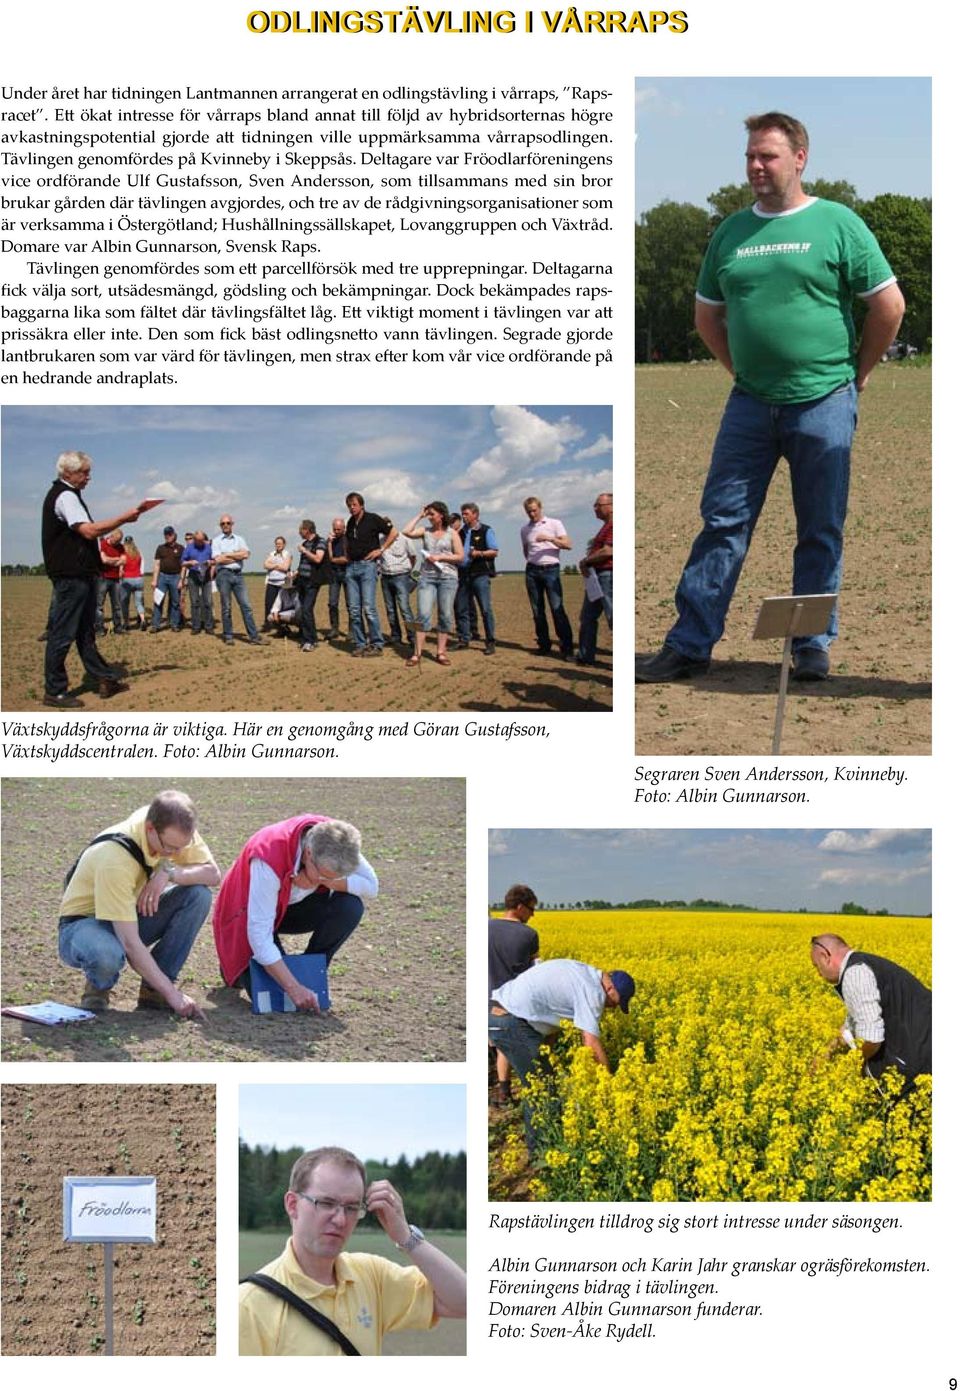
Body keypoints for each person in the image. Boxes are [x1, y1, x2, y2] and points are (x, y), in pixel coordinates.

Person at [637, 112, 905, 686]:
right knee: (722, 521)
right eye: (750, 157)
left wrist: (857, 376)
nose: (756, 167)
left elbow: (889, 306)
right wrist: (742, 370)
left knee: (820, 526)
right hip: (750, 404)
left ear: (800, 157)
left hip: (824, 400)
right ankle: (689, 644)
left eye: (769, 156)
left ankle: (810, 644)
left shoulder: (839, 223)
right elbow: (707, 314)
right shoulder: (731, 232)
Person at [239, 1146, 467, 1356]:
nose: (340, 1219)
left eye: (351, 1207)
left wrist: (405, 1236)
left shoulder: (371, 1276)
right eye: (326, 1203)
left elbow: (464, 1302)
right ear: (292, 1204)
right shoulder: (248, 1306)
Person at [57, 789, 220, 1017]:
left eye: (183, 847)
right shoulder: (115, 859)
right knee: (107, 954)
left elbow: (212, 874)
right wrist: (175, 995)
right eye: (171, 848)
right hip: (84, 925)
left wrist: (168, 871)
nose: (177, 853)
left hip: (127, 913)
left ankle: (154, 992)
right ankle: (99, 985)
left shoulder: (172, 825)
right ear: (150, 828)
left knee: (197, 896)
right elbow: (130, 943)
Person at [213, 816, 378, 1011]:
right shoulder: (268, 856)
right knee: (274, 997)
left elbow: (371, 886)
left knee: (350, 906)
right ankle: (236, 970)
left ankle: (311, 968)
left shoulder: (340, 842)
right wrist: (293, 987)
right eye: (322, 874)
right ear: (308, 854)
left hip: (293, 908)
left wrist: (325, 881)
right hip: (247, 912)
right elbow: (259, 935)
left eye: (331, 877)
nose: (323, 880)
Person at [41, 450, 161, 708]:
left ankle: (105, 678)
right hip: (71, 577)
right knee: (62, 634)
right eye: (84, 472)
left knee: (85, 633)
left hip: (80, 576)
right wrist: (124, 519)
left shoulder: (68, 495)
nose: (88, 478)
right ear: (67, 473)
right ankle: (54, 690)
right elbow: (89, 531)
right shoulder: (65, 496)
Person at [489, 958, 635, 1151]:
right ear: (610, 989)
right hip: (510, 1020)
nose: (612, 1008)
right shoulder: (593, 992)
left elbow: (552, 1017)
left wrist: (549, 1058)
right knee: (543, 1089)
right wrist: (607, 1086)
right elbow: (591, 1042)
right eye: (615, 1003)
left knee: (544, 1083)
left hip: (500, 1011)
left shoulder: (585, 973)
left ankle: (548, 1147)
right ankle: (542, 1155)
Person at [809, 934, 931, 1086]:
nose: (817, 973)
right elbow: (854, 1023)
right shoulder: (863, 965)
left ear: (825, 956)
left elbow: (872, 1038)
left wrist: (848, 1067)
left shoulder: (855, 974)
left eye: (816, 966)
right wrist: (827, 1052)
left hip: (921, 1064)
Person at [488, 885, 540, 1107]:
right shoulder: (528, 935)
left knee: (497, 1044)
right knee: (511, 1045)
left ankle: (502, 1092)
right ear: (519, 907)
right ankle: (530, 1090)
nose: (532, 914)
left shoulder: (485, 928)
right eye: (530, 909)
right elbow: (535, 970)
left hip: (486, 997)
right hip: (512, 1001)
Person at [403, 503, 463, 668]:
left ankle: (441, 652)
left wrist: (440, 558)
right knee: (423, 614)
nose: (429, 517)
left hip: (447, 578)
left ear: (441, 515)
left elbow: (460, 556)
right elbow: (406, 531)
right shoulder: (425, 531)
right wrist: (419, 515)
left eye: (432, 514)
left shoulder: (452, 534)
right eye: (428, 514)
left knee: (445, 614)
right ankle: (417, 653)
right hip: (427, 578)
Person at [520, 496, 574, 660]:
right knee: (537, 611)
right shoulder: (524, 530)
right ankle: (544, 644)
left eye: (534, 510)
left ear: (540, 508)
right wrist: (532, 561)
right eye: (529, 511)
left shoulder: (554, 523)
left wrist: (549, 538)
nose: (532, 514)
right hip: (532, 571)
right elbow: (526, 549)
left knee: (557, 608)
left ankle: (566, 647)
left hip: (551, 569)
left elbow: (568, 545)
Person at [344, 493, 397, 656]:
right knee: (354, 610)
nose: (351, 508)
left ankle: (376, 644)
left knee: (368, 608)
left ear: (361, 505)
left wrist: (380, 550)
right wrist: (347, 557)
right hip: (351, 568)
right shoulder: (350, 522)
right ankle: (360, 643)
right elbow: (347, 541)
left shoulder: (373, 518)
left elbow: (393, 532)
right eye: (349, 505)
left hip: (367, 567)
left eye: (354, 504)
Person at [211, 513, 264, 647]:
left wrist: (227, 554)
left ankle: (254, 636)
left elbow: (246, 554)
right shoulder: (216, 541)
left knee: (246, 606)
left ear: (232, 524)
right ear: (220, 526)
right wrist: (236, 555)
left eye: (228, 523)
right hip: (223, 575)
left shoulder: (240, 539)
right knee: (226, 607)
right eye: (223, 523)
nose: (225, 525)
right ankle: (228, 635)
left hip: (238, 575)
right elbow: (217, 559)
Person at [455, 502, 498, 655]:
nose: (463, 516)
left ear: (475, 514)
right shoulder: (460, 533)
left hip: (480, 574)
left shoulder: (486, 530)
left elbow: (494, 551)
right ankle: (464, 639)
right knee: (462, 608)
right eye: (462, 513)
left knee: (485, 609)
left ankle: (490, 641)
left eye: (466, 513)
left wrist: (478, 553)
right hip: (463, 574)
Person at [577, 491, 613, 665]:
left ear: (611, 507)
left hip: (607, 575)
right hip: (597, 578)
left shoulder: (614, 524)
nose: (595, 508)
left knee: (613, 616)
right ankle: (585, 656)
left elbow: (608, 551)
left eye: (598, 505)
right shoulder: (605, 526)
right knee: (587, 617)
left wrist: (586, 560)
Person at [377, 516, 418, 647]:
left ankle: (412, 637)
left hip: (401, 576)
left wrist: (407, 571)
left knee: (405, 608)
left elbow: (413, 556)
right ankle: (395, 636)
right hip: (386, 577)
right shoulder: (381, 541)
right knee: (390, 609)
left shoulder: (405, 539)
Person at [292, 521, 324, 651]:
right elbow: (303, 563)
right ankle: (309, 638)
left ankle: (310, 640)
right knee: (303, 610)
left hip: (312, 581)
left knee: (306, 609)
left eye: (301, 530)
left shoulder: (320, 542)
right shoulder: (305, 543)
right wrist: (296, 572)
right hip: (302, 581)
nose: (299, 532)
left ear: (307, 530)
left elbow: (318, 559)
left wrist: (305, 551)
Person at [181, 529, 215, 635]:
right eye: (198, 541)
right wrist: (189, 562)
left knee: (208, 602)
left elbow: (215, 560)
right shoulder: (189, 547)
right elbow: (182, 562)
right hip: (193, 576)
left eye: (202, 541)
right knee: (194, 602)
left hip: (206, 577)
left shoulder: (209, 547)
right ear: (194, 540)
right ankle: (196, 626)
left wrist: (210, 563)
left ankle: (208, 626)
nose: (200, 543)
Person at [151, 525, 184, 632]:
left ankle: (174, 624)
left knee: (175, 602)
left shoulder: (180, 548)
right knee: (158, 601)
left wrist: (181, 580)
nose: (167, 536)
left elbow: (184, 566)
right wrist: (154, 580)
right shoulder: (160, 548)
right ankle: (155, 625)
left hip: (176, 577)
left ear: (174, 535)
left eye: (169, 534)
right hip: (162, 577)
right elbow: (157, 564)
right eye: (166, 534)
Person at [96, 527, 125, 636]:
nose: (118, 543)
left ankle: (118, 627)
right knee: (99, 605)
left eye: (119, 541)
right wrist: (116, 559)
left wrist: (111, 560)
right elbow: (103, 560)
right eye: (116, 540)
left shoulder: (121, 547)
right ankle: (99, 628)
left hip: (115, 579)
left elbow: (123, 561)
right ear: (111, 536)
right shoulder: (103, 544)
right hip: (103, 578)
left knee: (117, 605)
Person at [323, 516, 348, 638]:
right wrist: (329, 543)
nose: (337, 531)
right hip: (334, 575)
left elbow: (346, 559)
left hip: (348, 574)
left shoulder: (348, 539)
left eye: (339, 529)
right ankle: (334, 628)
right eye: (335, 529)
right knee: (332, 603)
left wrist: (333, 560)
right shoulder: (331, 541)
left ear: (344, 528)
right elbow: (328, 557)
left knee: (351, 604)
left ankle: (353, 631)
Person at [263, 534, 292, 631]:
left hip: (282, 583)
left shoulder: (287, 554)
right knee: (268, 604)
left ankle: (281, 625)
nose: (278, 545)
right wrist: (278, 565)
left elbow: (286, 567)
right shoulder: (272, 553)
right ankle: (267, 625)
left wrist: (273, 565)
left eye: (280, 544)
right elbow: (265, 565)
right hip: (271, 583)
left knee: (281, 605)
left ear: (284, 544)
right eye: (276, 544)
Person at [120, 535, 147, 631]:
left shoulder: (123, 554)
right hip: (138, 579)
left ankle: (126, 623)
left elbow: (121, 569)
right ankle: (143, 620)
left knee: (124, 603)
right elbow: (141, 565)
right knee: (139, 603)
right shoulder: (138, 553)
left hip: (127, 580)